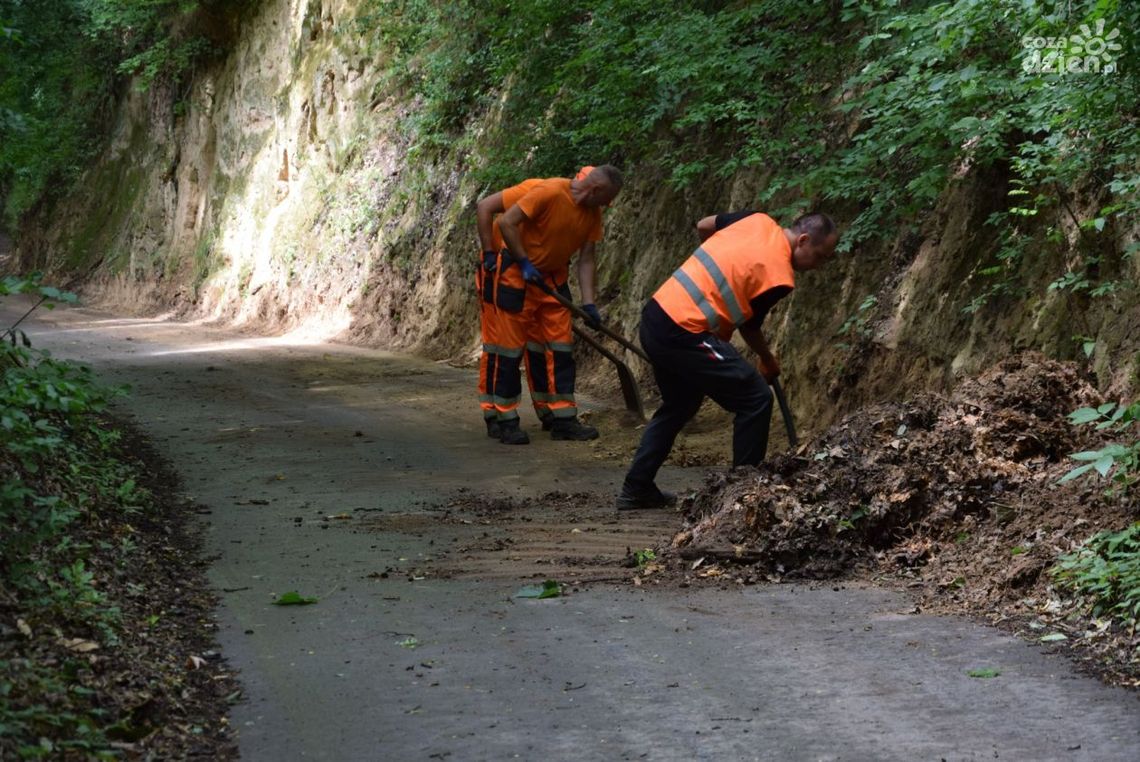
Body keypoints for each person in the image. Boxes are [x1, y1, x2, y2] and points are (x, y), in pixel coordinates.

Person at [615, 210, 839, 510]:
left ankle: (637, 488)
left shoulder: (755, 220)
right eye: (820, 256)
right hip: (685, 331)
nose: (819, 266)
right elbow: (750, 326)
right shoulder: (779, 275)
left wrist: (718, 260)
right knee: (756, 399)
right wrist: (767, 359)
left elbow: (704, 224)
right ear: (803, 240)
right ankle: (743, 498)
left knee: (680, 405)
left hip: (656, 315)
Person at [475, 165, 623, 444]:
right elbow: (506, 222)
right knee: (508, 350)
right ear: (596, 189)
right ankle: (504, 419)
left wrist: (589, 303)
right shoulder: (549, 191)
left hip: (552, 280)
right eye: (606, 199)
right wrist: (521, 262)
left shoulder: (593, 214)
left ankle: (563, 419)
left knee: (560, 348)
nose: (607, 206)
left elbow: (587, 258)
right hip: (516, 276)